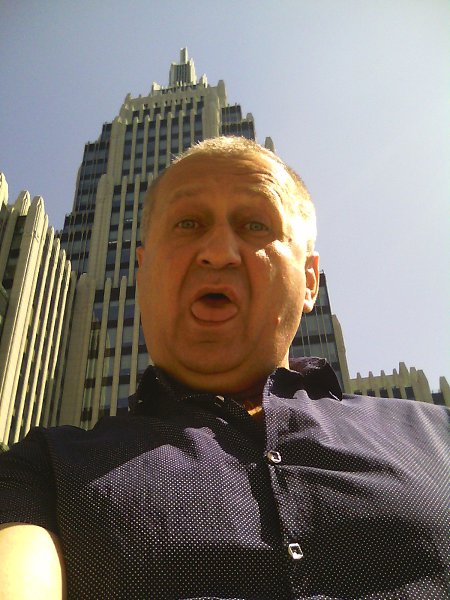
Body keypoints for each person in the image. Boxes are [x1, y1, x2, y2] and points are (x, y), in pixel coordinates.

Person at [0, 137, 448, 599]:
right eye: (187, 223)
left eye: (255, 224)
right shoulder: (43, 471)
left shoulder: (439, 435)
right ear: (142, 270)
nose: (218, 251)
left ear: (310, 281)